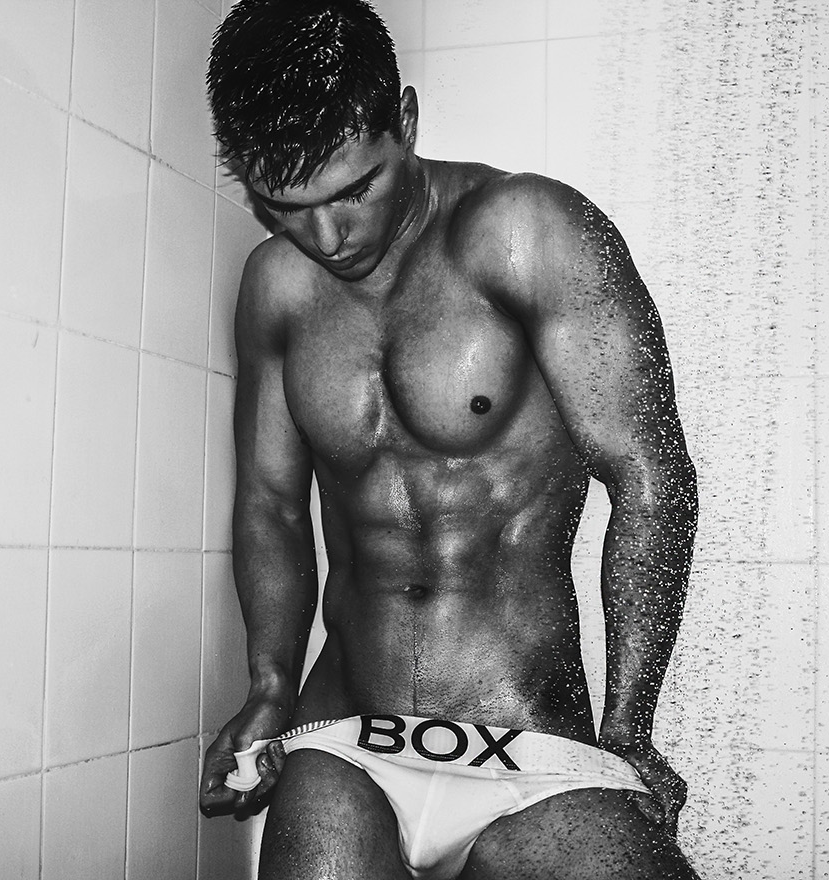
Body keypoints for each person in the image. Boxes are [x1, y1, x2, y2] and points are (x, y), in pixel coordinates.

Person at [198, 2, 699, 877]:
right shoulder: (276, 286)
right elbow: (271, 504)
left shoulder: (527, 232)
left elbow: (651, 475)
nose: (328, 237)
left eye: (354, 190)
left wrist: (628, 726)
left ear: (408, 121)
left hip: (531, 746)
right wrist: (270, 683)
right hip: (346, 736)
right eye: (285, 207)